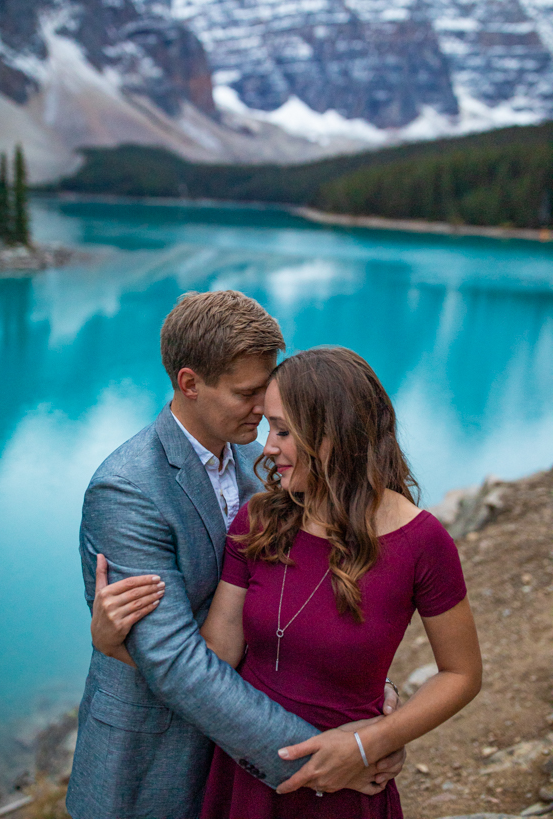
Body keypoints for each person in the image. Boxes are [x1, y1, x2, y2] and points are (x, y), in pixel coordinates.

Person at [93, 346, 482, 818]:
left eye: (282, 430)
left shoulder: (423, 541)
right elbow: (212, 660)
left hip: (348, 790)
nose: (266, 445)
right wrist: (117, 645)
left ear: (333, 433)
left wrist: (372, 742)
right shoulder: (258, 520)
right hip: (245, 777)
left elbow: (461, 674)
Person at [67, 292, 404, 819]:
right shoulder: (127, 490)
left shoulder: (265, 457)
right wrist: (325, 755)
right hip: (154, 759)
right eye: (247, 394)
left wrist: (365, 709)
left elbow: (313, 589)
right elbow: (175, 661)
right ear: (190, 383)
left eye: (266, 391)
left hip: (243, 761)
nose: (264, 411)